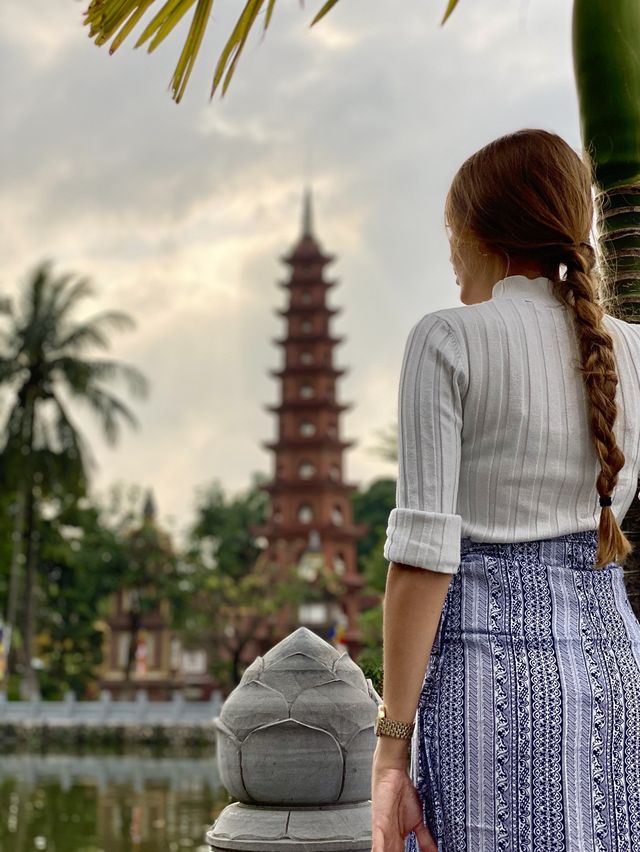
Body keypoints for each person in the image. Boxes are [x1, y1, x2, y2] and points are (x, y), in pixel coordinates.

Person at [370, 128, 640, 852]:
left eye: (450, 236)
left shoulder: (447, 340)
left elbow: (423, 561)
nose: (450, 260)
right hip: (618, 678)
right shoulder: (635, 351)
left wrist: (390, 753)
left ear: (479, 235)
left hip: (487, 692)